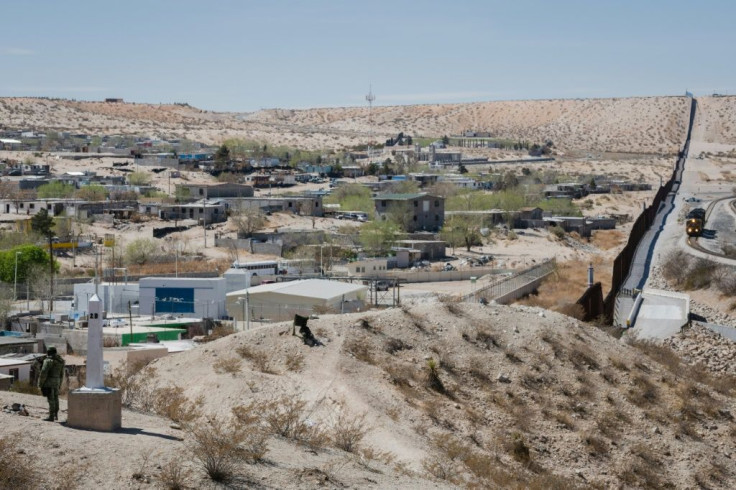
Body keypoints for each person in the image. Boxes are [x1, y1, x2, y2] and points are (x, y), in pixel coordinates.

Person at [38, 347, 65, 422]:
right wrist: (59, 384)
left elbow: (43, 372)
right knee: (56, 398)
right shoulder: (60, 361)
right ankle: (56, 414)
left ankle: (51, 416)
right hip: (57, 381)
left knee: (51, 399)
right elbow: (61, 374)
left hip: (49, 382)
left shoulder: (48, 361)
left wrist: (40, 384)